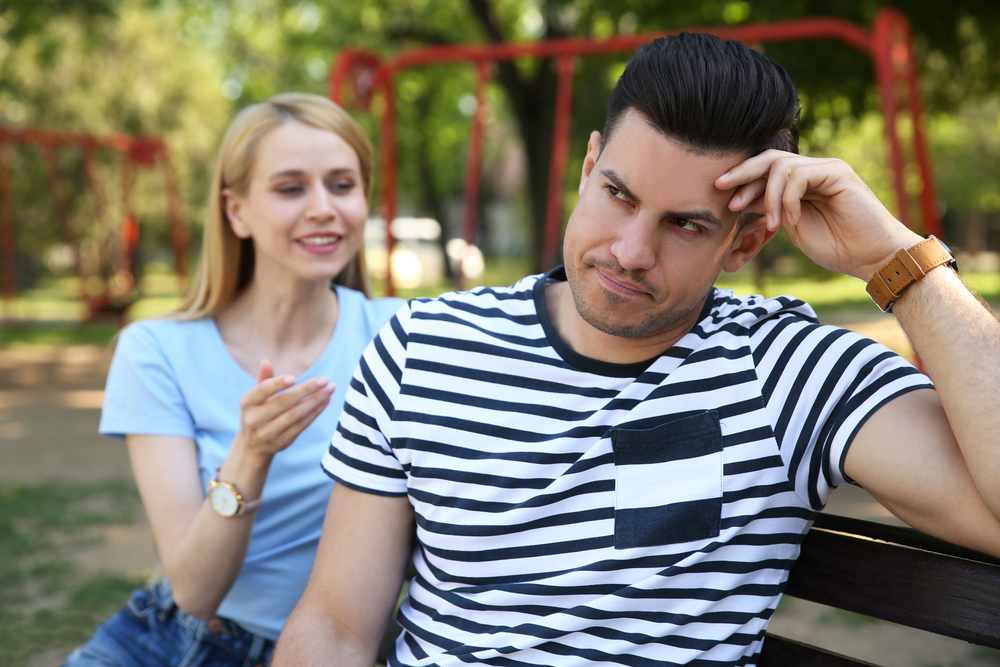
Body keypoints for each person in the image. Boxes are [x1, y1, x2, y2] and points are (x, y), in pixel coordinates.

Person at [275, 34, 1000, 667]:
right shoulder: (422, 348)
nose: (629, 251)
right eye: (619, 195)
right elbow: (335, 624)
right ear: (589, 165)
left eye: (685, 225)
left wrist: (899, 262)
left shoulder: (785, 372)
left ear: (744, 243)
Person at [63, 93, 403, 667]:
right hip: (175, 640)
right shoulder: (155, 351)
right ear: (236, 211)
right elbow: (194, 593)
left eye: (342, 185)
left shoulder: (404, 335)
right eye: (291, 189)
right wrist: (252, 452)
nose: (323, 208)